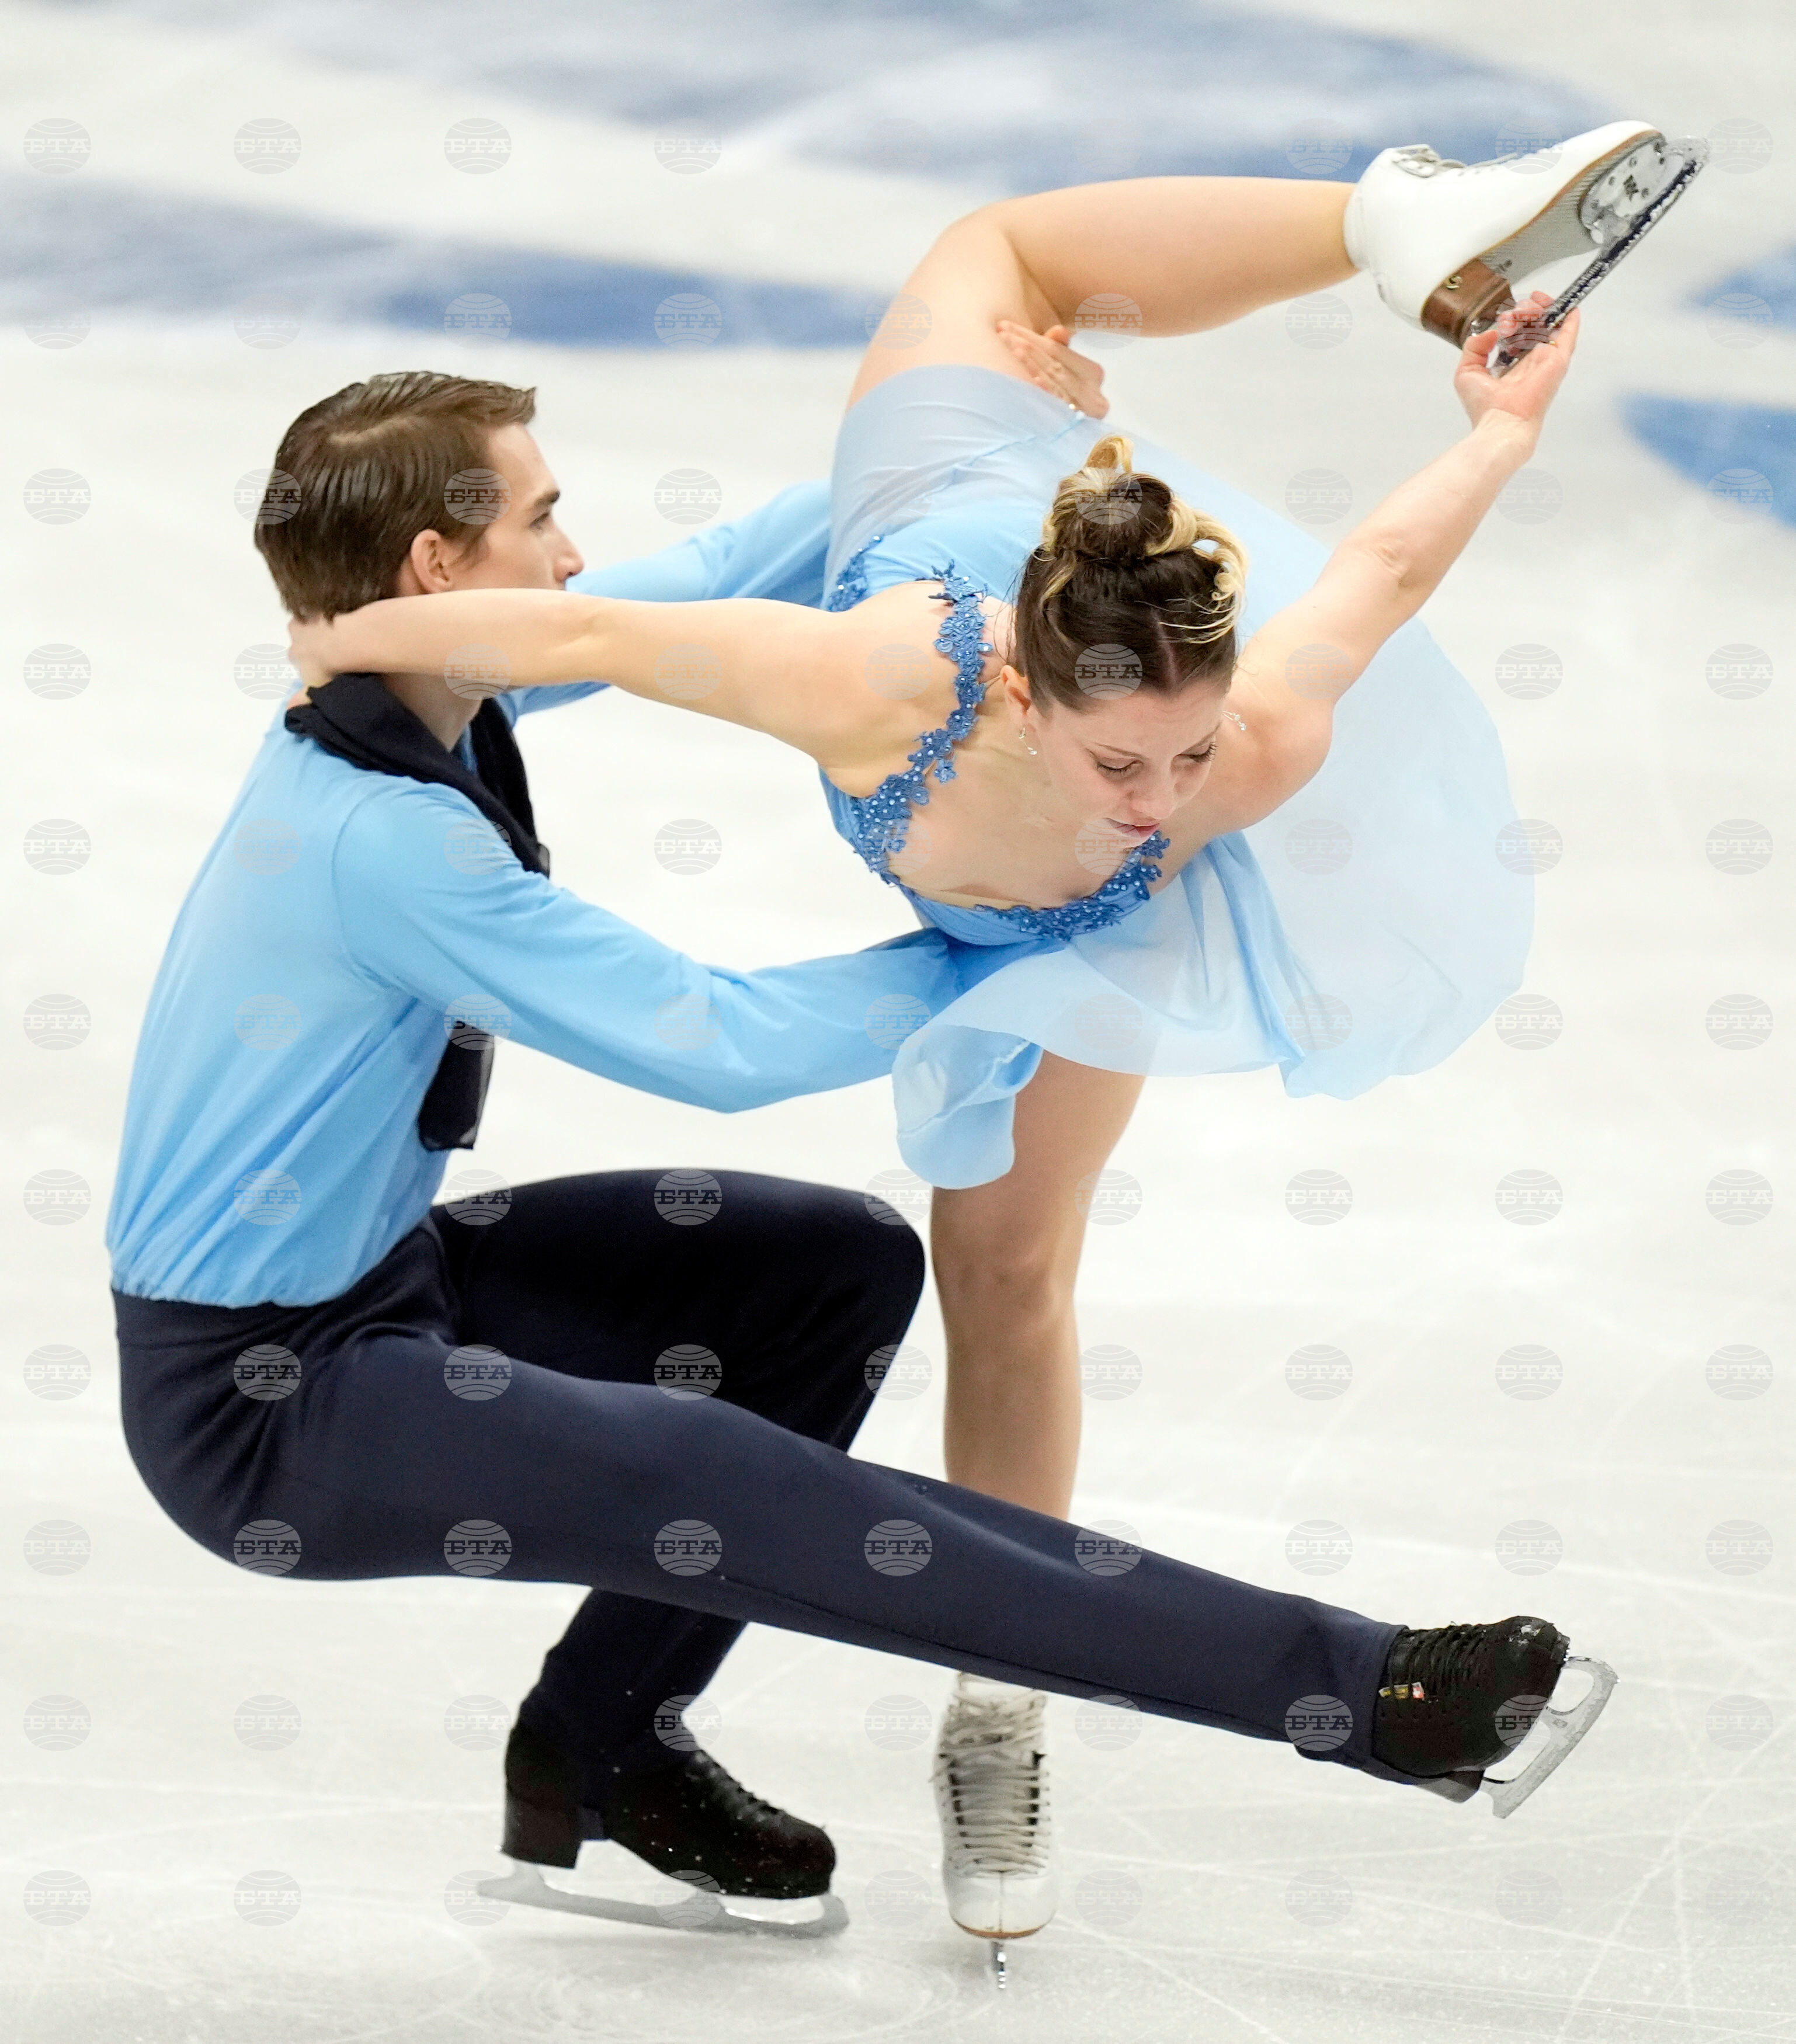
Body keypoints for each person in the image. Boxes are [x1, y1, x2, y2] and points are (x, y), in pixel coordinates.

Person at [286, 124, 1679, 1935]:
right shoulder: (869, 679)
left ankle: (996, 1710)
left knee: (1003, 1262)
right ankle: (1380, 212)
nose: (1150, 803)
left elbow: (1380, 581)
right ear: (1022, 688)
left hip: (1048, 838)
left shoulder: (1228, 751)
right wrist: (336, 643)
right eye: (1119, 766)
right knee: (993, 254)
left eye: (1185, 758)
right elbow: (611, 634)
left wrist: (1494, 431)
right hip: (945, 494)